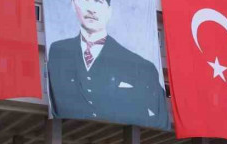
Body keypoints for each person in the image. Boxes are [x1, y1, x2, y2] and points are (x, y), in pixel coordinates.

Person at [47, 0, 169, 128]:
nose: (91, 9)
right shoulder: (58, 51)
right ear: (73, 4)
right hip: (68, 133)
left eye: (98, 2)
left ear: (109, 11)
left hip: (120, 140)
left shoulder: (140, 66)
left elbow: (160, 117)